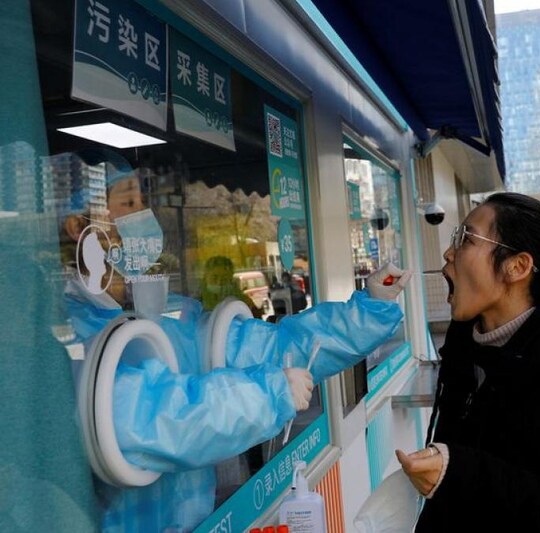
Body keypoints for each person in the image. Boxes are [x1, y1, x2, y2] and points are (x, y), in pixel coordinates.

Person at [61, 149, 412, 531]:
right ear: (79, 227)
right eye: (129, 203)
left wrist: (370, 310)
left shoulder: (170, 313)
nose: (144, 217)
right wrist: (267, 394)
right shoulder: (69, 332)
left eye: (143, 202)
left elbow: (276, 348)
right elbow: (147, 419)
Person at [396, 192, 540, 532]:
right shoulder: (463, 350)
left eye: (466, 239)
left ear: (517, 266)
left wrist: (461, 472)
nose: (448, 252)